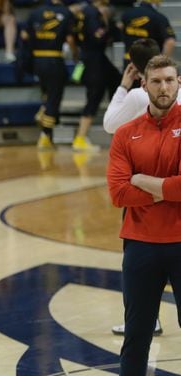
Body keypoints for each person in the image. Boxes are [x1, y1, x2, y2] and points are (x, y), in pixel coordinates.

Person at [90, 55, 181, 376]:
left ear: (178, 83)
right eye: (156, 81)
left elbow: (133, 188)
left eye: (169, 80)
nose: (163, 87)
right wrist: (168, 188)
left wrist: (147, 183)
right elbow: (117, 193)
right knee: (136, 340)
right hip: (140, 247)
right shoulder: (126, 133)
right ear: (144, 85)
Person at [101, 38, 169, 337]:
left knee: (143, 263)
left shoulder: (140, 95)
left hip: (146, 192)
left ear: (133, 65)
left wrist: (121, 86)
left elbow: (109, 123)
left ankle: (146, 318)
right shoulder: (173, 90)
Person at [21, 0, 75, 152]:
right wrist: (76, 54)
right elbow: (70, 39)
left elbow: (24, 35)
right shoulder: (65, 12)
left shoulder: (35, 12)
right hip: (54, 58)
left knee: (46, 93)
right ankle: (45, 134)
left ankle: (45, 120)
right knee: (54, 96)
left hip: (37, 60)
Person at [72, 0, 119, 152]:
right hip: (93, 59)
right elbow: (98, 36)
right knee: (94, 96)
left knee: (117, 81)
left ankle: (116, 129)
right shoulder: (92, 13)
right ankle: (80, 137)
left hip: (92, 57)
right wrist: (109, 25)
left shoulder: (84, 11)